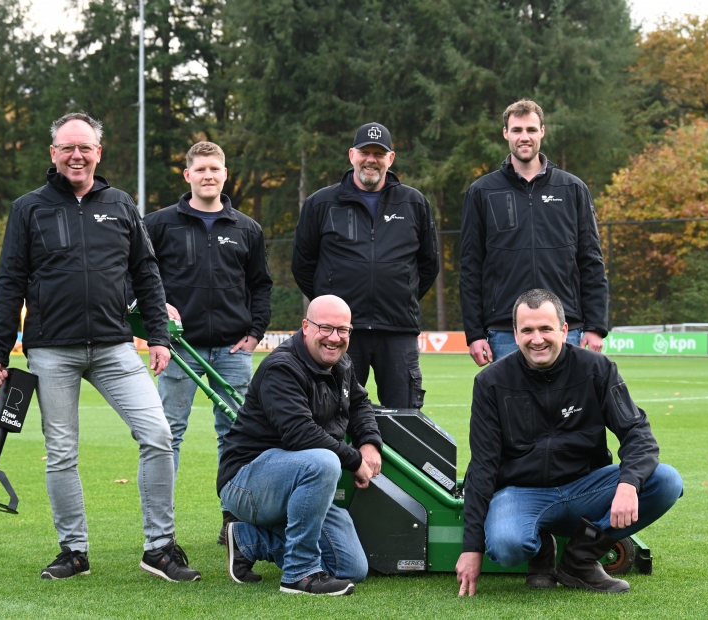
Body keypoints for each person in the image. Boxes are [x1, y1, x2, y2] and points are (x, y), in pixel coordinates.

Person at [0, 112, 200, 582]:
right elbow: (9, 282)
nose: (77, 155)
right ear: (54, 153)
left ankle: (160, 549)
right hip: (51, 351)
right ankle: (74, 551)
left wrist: (159, 336)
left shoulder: (121, 204)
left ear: (98, 153)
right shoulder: (28, 208)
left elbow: (146, 272)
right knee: (62, 452)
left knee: (158, 436)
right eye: (68, 147)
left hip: (114, 346)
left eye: (85, 147)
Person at [455, 289, 683, 596]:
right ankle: (541, 547)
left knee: (665, 481)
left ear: (564, 330)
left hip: (586, 488)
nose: (537, 339)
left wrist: (628, 483)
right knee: (507, 545)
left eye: (545, 328)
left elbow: (637, 433)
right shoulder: (490, 382)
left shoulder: (597, 369)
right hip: (522, 493)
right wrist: (471, 547)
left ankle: (579, 559)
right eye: (527, 330)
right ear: (515, 334)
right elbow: (483, 464)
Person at [218, 295, 382, 596]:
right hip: (246, 481)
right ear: (306, 326)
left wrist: (370, 442)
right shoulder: (282, 367)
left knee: (351, 568)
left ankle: (247, 540)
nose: (334, 338)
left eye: (343, 330)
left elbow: (359, 404)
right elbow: (300, 434)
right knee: (324, 461)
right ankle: (299, 574)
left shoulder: (341, 362)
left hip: (301, 479)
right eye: (326, 328)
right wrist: (355, 460)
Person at [291, 122, 440, 408]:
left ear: (390, 158)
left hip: (397, 330)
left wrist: (400, 295)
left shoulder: (414, 203)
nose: (371, 159)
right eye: (364, 152)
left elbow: (428, 265)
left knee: (405, 417)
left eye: (379, 153)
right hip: (339, 332)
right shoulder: (320, 203)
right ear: (352, 155)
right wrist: (331, 304)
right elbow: (303, 264)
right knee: (334, 413)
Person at [144, 141, 272, 469]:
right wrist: (157, 309)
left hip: (233, 351)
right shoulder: (157, 224)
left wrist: (255, 332)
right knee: (167, 434)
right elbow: (136, 277)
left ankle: (234, 503)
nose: (208, 175)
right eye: (200, 169)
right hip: (179, 349)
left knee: (236, 436)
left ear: (225, 174)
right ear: (187, 175)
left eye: (214, 169)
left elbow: (260, 285)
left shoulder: (248, 228)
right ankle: (161, 506)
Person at [460, 99, 609, 367]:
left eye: (531, 129)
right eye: (517, 130)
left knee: (569, 396)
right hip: (505, 332)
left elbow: (591, 261)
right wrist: (474, 333)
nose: (524, 137)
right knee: (511, 397)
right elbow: (471, 267)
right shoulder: (481, 192)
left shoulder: (572, 188)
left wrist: (595, 326)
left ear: (542, 131)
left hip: (566, 329)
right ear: (505, 133)